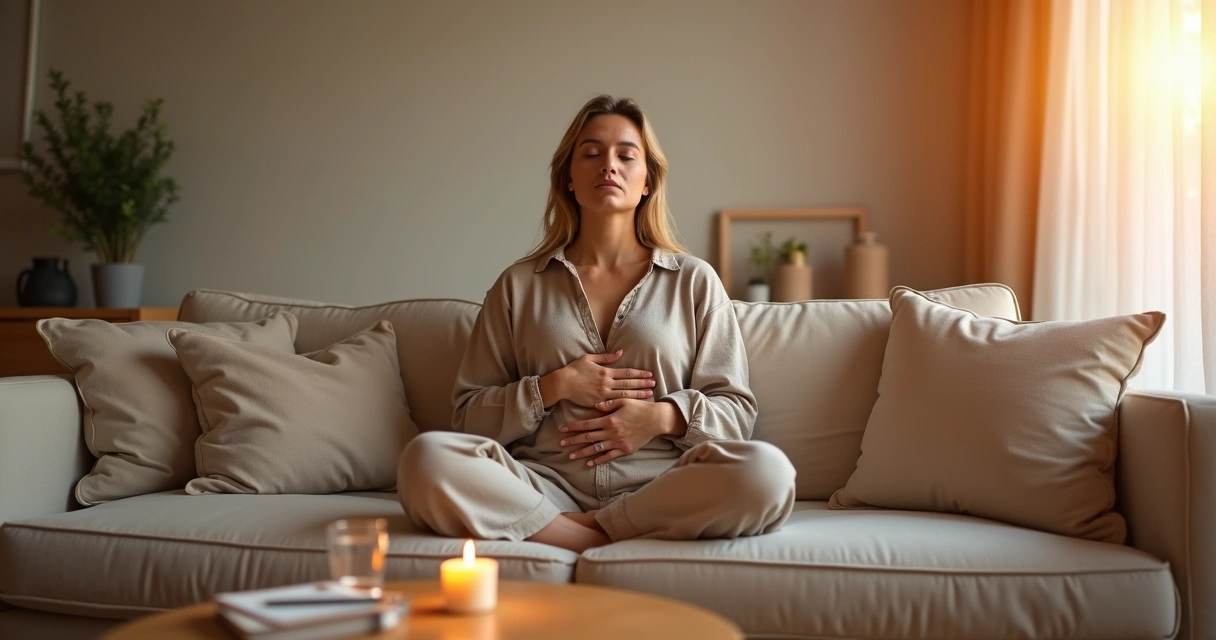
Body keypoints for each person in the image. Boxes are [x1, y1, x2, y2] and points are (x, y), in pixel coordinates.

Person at [397, 95, 795, 552]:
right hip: (543, 487)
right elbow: (467, 418)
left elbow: (737, 412)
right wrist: (554, 386)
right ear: (569, 178)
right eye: (591, 154)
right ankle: (584, 533)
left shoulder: (694, 281)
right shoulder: (518, 285)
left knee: (769, 474)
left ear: (648, 181)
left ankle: (573, 531)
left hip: (661, 488)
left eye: (627, 156)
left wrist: (661, 417)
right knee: (424, 460)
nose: (609, 165)